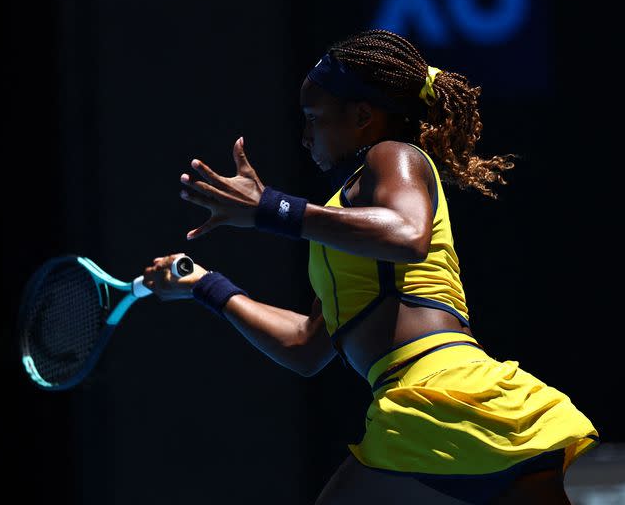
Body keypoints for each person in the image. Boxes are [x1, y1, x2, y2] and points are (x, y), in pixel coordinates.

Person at [142, 29, 599, 504]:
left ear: (362, 116)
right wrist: (206, 285)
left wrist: (270, 209)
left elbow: (407, 233)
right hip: (464, 408)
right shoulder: (342, 226)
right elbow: (305, 346)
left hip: (436, 394)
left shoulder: (393, 155)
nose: (304, 135)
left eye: (312, 118)